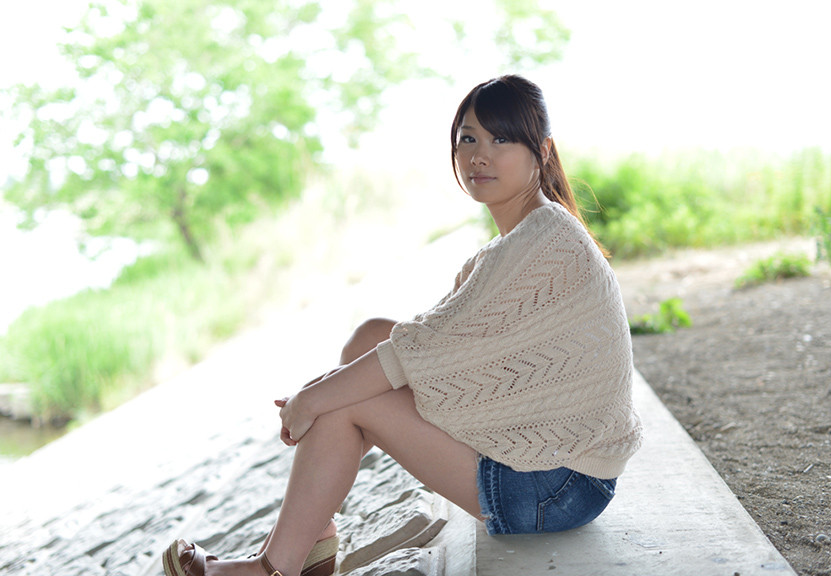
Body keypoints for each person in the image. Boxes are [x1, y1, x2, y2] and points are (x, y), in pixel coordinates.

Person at [163, 75, 643, 576]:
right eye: (468, 138)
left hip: (556, 489)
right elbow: (426, 345)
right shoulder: (521, 239)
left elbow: (420, 354)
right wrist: (324, 393)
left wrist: (313, 400)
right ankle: (310, 538)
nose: (479, 156)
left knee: (348, 402)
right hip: (561, 476)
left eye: (501, 139)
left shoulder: (542, 240)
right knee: (368, 339)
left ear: (542, 151)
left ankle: (271, 569)